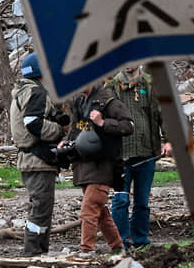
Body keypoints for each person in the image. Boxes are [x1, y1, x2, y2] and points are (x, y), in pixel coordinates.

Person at [61, 83, 133, 257]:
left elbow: (129, 125)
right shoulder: (78, 102)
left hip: (104, 165)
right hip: (84, 165)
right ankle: (117, 247)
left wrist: (103, 122)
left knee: (89, 209)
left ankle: (86, 251)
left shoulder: (108, 102)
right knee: (100, 212)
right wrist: (66, 142)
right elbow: (76, 129)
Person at [9, 53, 70, 256]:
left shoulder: (22, 91)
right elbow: (33, 123)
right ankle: (33, 253)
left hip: (29, 160)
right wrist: (59, 130)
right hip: (37, 161)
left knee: (40, 209)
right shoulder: (36, 93)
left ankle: (38, 252)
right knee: (40, 210)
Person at [106, 66, 172, 250]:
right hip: (120, 156)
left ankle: (141, 241)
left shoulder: (151, 84)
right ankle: (120, 243)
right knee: (120, 200)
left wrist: (168, 140)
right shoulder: (111, 87)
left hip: (146, 153)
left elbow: (163, 115)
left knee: (142, 202)